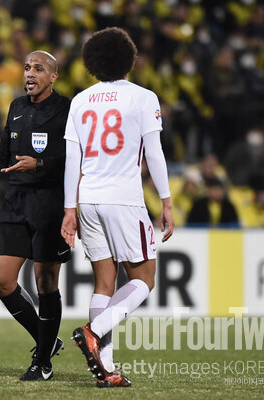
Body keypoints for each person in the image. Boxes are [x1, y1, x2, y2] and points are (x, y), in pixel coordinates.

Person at [61, 27, 175, 387]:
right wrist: (167, 200)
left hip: (88, 199)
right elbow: (153, 153)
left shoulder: (80, 100)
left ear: (92, 62)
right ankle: (94, 332)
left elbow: (71, 159)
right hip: (123, 198)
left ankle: (105, 369)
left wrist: (69, 210)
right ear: (131, 59)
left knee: (104, 282)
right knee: (143, 279)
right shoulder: (143, 97)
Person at [0, 50, 70, 381]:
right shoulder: (16, 107)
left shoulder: (67, 109)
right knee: (1, 280)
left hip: (49, 202)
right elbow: (1, 154)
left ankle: (42, 363)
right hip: (15, 200)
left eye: (38, 69)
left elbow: (73, 157)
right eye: (27, 67)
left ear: (53, 77)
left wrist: (38, 164)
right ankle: (47, 342)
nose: (30, 73)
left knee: (45, 283)